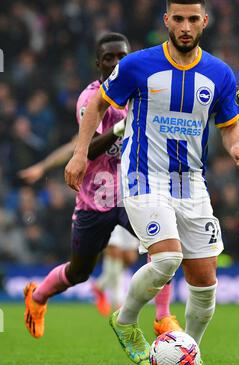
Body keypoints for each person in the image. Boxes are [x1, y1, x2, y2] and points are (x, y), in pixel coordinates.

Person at [64, 0, 239, 365]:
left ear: (204, 21)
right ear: (167, 21)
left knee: (206, 284)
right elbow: (98, 103)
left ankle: (190, 355)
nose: (185, 27)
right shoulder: (137, 65)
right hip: (143, 177)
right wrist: (81, 153)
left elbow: (231, 127)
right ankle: (125, 319)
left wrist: (237, 149)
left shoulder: (219, 73)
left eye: (193, 19)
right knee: (168, 258)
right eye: (178, 19)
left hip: (191, 185)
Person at [23, 32, 182, 339]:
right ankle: (38, 297)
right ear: (98, 63)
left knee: (163, 245)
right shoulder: (90, 99)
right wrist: (122, 128)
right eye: (109, 57)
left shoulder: (142, 92)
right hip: (94, 200)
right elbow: (89, 149)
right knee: (79, 272)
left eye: (122, 56)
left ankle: (163, 317)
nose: (116, 62)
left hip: (134, 192)